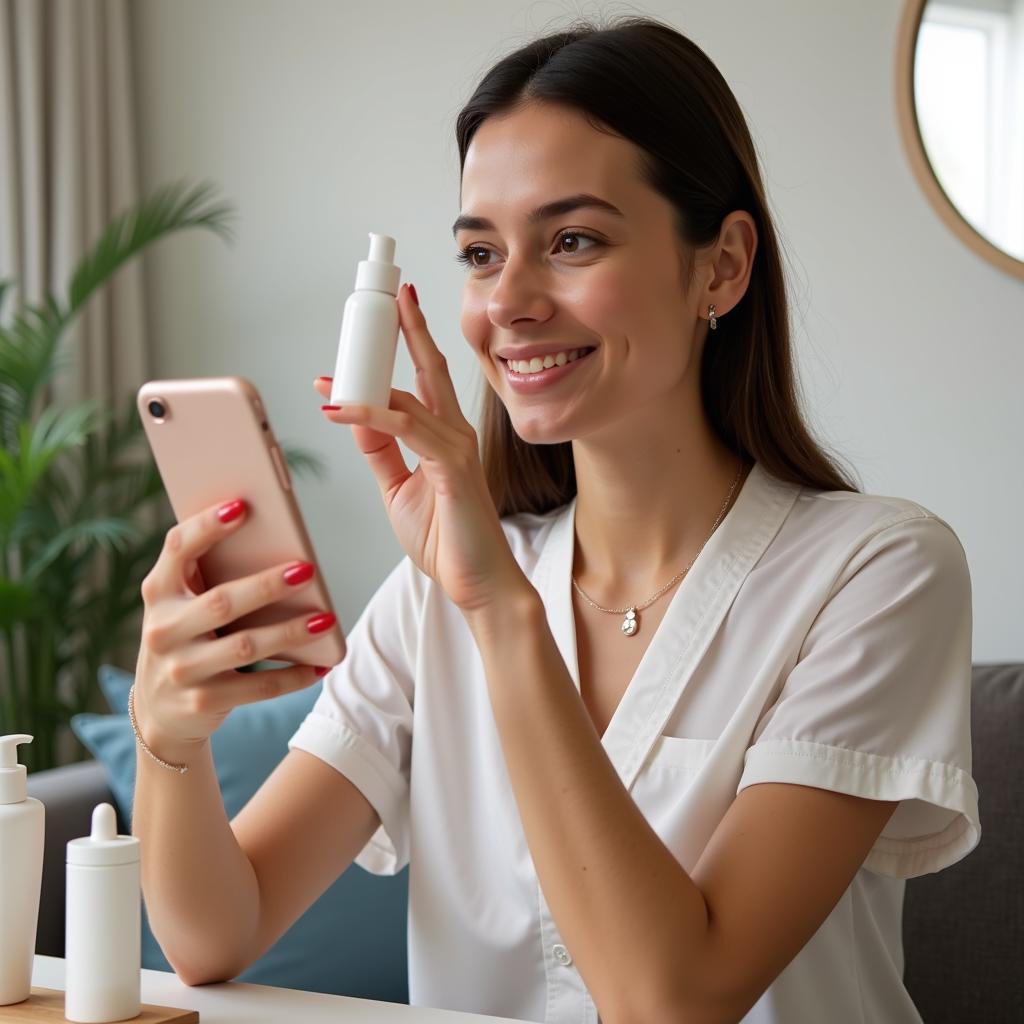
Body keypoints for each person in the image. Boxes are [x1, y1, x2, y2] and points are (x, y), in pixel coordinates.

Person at [130, 15, 981, 1024]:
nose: (511, 302)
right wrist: (167, 743)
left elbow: (673, 998)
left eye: (572, 240)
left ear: (722, 265)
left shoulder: (879, 571)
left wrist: (499, 612)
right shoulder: (440, 589)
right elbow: (213, 933)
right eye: (481, 254)